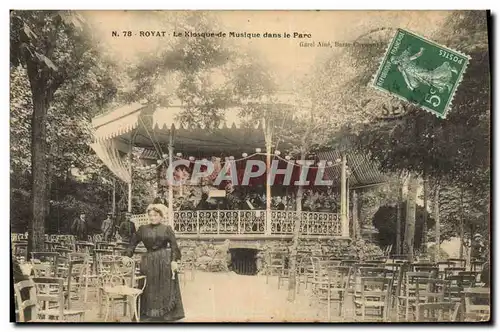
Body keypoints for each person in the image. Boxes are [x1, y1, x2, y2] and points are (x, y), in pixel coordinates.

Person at [125, 204, 185, 322]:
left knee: (164, 287)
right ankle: (148, 315)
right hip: (148, 262)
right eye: (150, 215)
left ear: (161, 216)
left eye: (155, 215)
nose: (152, 218)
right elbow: (132, 244)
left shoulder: (167, 229)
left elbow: (174, 247)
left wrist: (174, 261)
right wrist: (127, 256)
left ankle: (166, 315)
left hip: (164, 261)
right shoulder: (142, 229)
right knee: (148, 287)